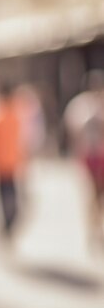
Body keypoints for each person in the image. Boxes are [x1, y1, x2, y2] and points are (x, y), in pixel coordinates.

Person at [64, 70, 104, 251]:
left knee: (98, 195)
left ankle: (96, 226)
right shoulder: (80, 106)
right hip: (89, 156)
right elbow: (73, 132)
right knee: (92, 194)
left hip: (100, 155)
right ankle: (92, 228)